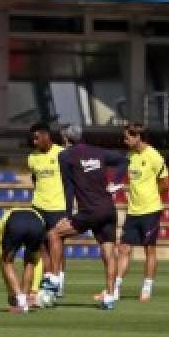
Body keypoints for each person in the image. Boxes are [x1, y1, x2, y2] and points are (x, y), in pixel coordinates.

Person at [46, 124, 126, 310]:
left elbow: (68, 187)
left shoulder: (65, 156)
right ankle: (109, 297)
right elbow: (124, 160)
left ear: (65, 139)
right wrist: (116, 182)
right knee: (108, 252)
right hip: (108, 209)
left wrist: (65, 215)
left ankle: (56, 278)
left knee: (54, 234)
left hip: (89, 212)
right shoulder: (99, 152)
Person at [113, 123, 168, 302]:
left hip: (151, 210)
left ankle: (147, 288)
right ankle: (115, 288)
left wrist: (150, 197)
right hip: (133, 211)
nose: (124, 140)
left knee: (149, 250)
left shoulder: (154, 156)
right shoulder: (129, 156)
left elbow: (165, 184)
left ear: (138, 137)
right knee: (123, 249)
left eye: (127, 137)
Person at [27, 122, 66, 299]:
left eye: (36, 138)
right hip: (38, 206)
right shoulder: (32, 158)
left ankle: (59, 280)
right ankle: (48, 277)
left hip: (58, 206)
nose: (34, 142)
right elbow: (35, 180)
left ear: (46, 136)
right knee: (42, 244)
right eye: (32, 138)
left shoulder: (61, 154)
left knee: (57, 244)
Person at [0, 207, 48, 314]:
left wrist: (10, 291)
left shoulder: (5, 218)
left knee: (6, 262)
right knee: (30, 261)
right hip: (37, 224)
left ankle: (20, 300)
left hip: (17, 224)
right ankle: (24, 299)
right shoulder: (38, 215)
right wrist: (34, 290)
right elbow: (38, 261)